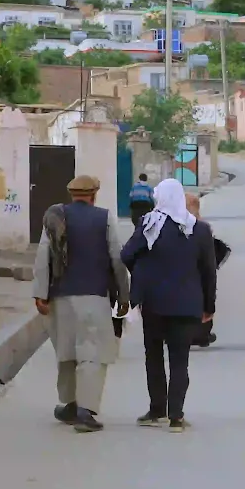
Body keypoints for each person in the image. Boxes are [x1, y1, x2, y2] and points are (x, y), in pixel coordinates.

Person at [32, 174, 130, 433]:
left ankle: (70, 405)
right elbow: (117, 260)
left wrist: (39, 294)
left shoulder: (55, 217)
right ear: (94, 194)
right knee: (92, 354)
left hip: (60, 296)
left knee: (66, 353)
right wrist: (123, 296)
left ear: (71, 194)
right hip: (94, 297)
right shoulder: (104, 218)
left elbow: (43, 256)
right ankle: (85, 411)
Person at [121, 178, 215, 433]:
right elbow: (209, 271)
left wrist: (141, 270)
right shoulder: (199, 229)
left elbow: (126, 254)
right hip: (187, 305)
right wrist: (209, 306)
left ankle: (157, 410)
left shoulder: (150, 223)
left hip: (153, 303)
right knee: (179, 360)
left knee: (154, 357)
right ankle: (176, 416)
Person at [185, 193, 228, 348]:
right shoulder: (203, 225)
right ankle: (201, 334)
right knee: (203, 300)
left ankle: (191, 334)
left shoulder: (179, 223)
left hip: (188, 271)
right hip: (201, 270)